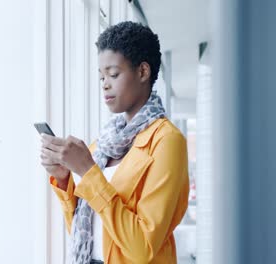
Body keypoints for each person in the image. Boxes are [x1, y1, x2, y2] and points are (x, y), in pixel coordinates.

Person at [40, 21, 189, 264]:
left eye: (113, 74)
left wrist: (88, 172)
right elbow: (87, 231)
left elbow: (142, 248)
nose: (105, 84)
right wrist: (65, 177)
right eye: (101, 77)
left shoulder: (167, 141)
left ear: (142, 72)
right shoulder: (104, 143)